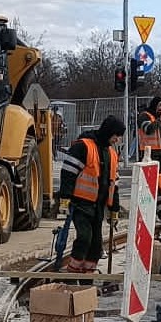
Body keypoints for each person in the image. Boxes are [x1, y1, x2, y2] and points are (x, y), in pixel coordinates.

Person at [56, 115, 125, 274]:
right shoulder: (83, 147)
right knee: (84, 238)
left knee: (96, 244)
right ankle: (73, 273)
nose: (118, 139)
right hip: (80, 204)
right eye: (117, 135)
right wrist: (64, 199)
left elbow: (114, 184)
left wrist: (114, 209)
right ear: (109, 132)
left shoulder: (112, 154)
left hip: (98, 206)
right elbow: (68, 174)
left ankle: (88, 276)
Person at [136, 96, 161, 161]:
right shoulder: (144, 115)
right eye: (160, 106)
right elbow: (148, 129)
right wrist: (159, 121)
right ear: (155, 105)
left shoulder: (158, 117)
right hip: (148, 154)